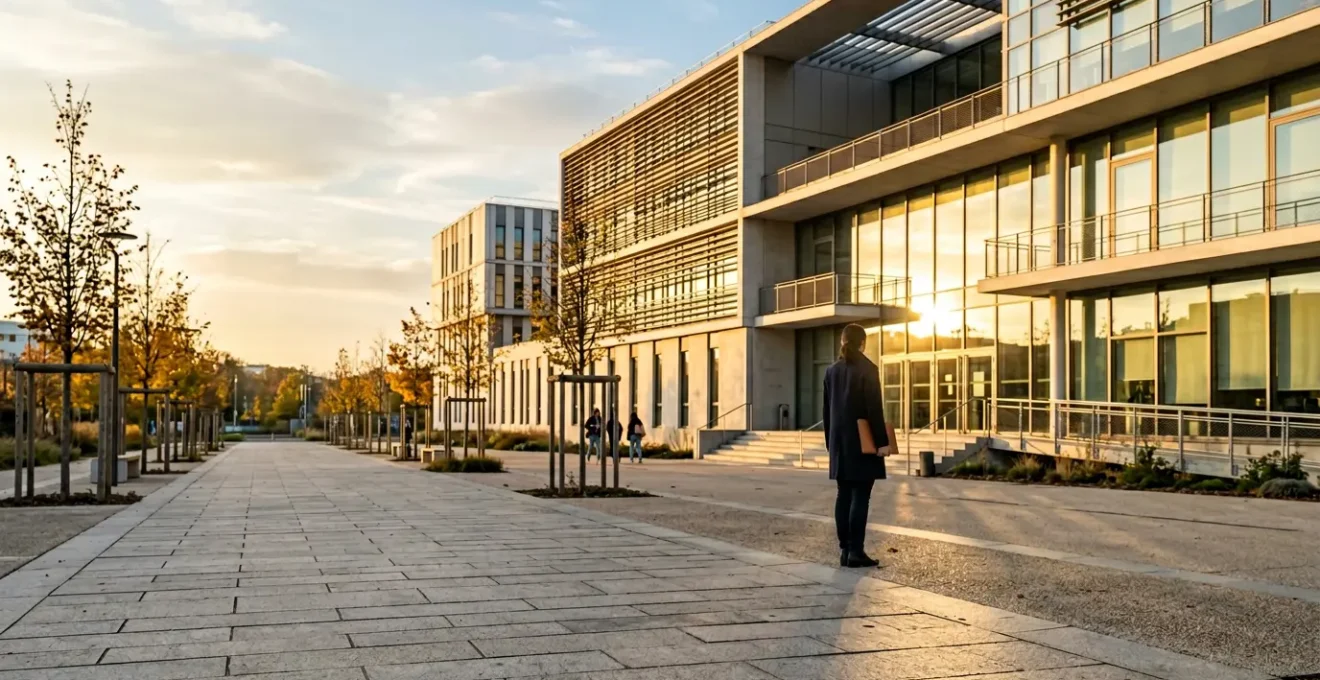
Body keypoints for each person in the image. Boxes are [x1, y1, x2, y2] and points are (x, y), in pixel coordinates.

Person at [824, 323, 889, 569]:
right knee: (861, 495)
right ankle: (856, 551)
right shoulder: (868, 369)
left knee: (843, 494)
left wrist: (831, 443)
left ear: (842, 342)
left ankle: (844, 550)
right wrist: (882, 443)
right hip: (862, 442)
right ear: (863, 343)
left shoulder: (831, 371)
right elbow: (874, 410)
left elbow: (826, 412)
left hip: (839, 442)